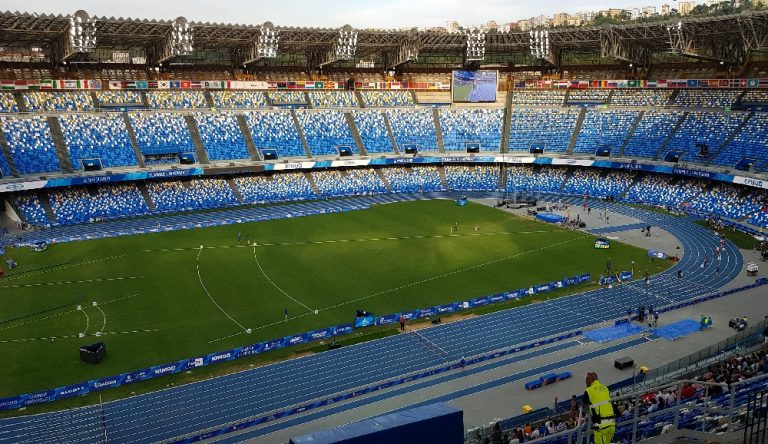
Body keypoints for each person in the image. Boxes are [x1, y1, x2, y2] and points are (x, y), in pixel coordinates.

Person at [584, 372, 615, 444]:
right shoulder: (605, 388)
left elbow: (585, 405)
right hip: (612, 423)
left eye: (587, 379)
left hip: (601, 426)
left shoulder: (588, 390)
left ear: (590, 380)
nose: (585, 381)